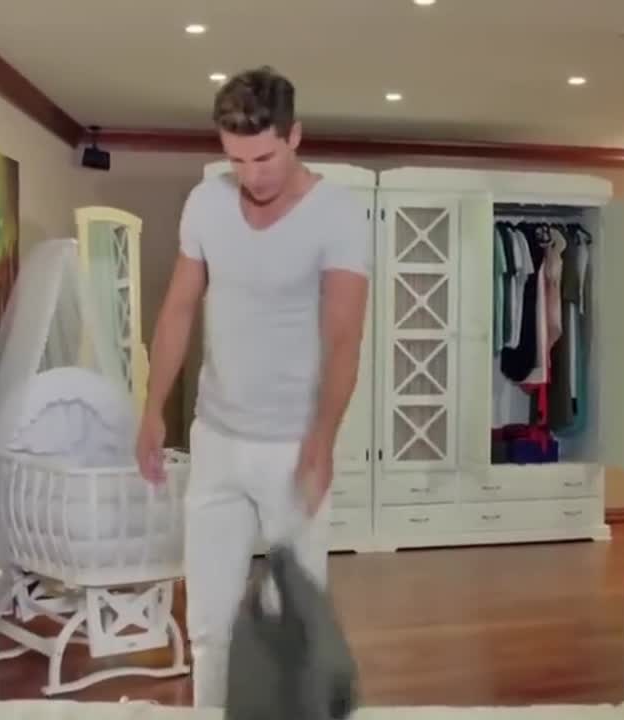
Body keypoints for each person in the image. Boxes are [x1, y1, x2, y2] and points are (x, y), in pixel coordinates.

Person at [134, 66, 372, 708]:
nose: (252, 174)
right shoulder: (206, 202)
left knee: (299, 629)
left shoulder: (337, 214)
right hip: (216, 439)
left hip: (294, 447)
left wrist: (323, 439)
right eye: (236, 159)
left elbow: (344, 339)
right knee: (208, 628)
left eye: (264, 157)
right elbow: (179, 308)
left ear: (294, 136)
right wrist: (152, 409)